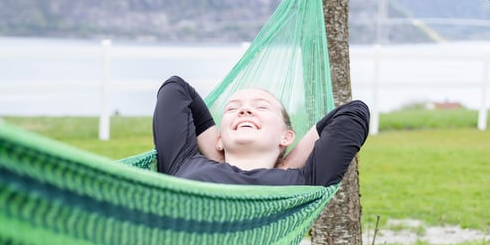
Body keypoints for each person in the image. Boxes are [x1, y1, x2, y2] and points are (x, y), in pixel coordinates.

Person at [152, 75, 369, 187]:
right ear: (219, 139)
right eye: (233, 108)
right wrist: (219, 155)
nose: (245, 110)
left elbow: (353, 113)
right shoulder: (183, 162)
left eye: (261, 107)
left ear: (286, 136)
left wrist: (286, 165)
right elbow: (175, 88)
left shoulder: (305, 180)